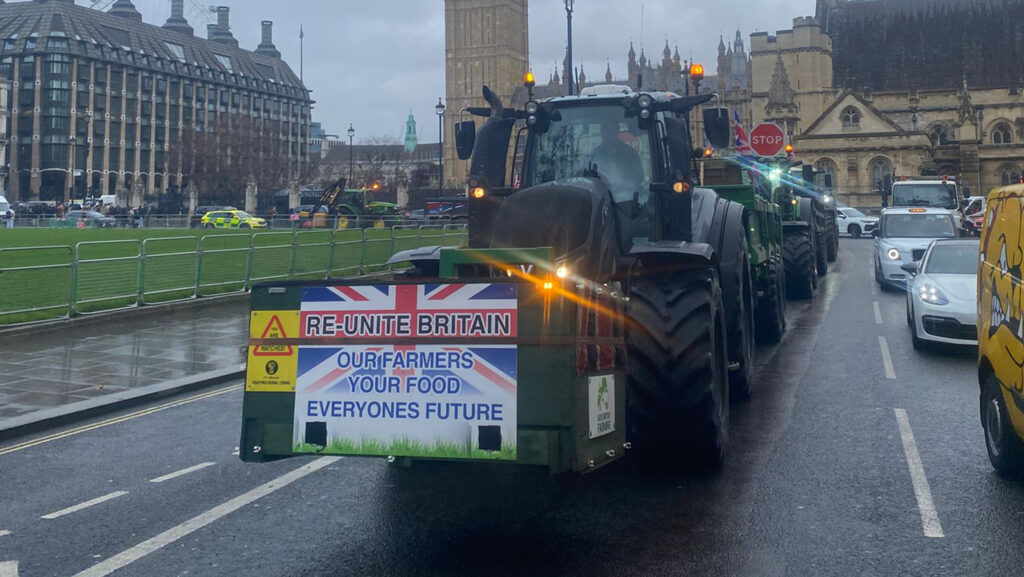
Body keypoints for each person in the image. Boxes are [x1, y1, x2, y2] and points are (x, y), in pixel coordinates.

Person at [589, 119, 645, 202]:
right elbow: (584, 178)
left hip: (626, 200)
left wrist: (623, 183)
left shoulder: (630, 154)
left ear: (617, 133)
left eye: (611, 132)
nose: (608, 135)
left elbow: (639, 177)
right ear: (602, 133)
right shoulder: (593, 156)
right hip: (599, 200)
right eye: (606, 132)